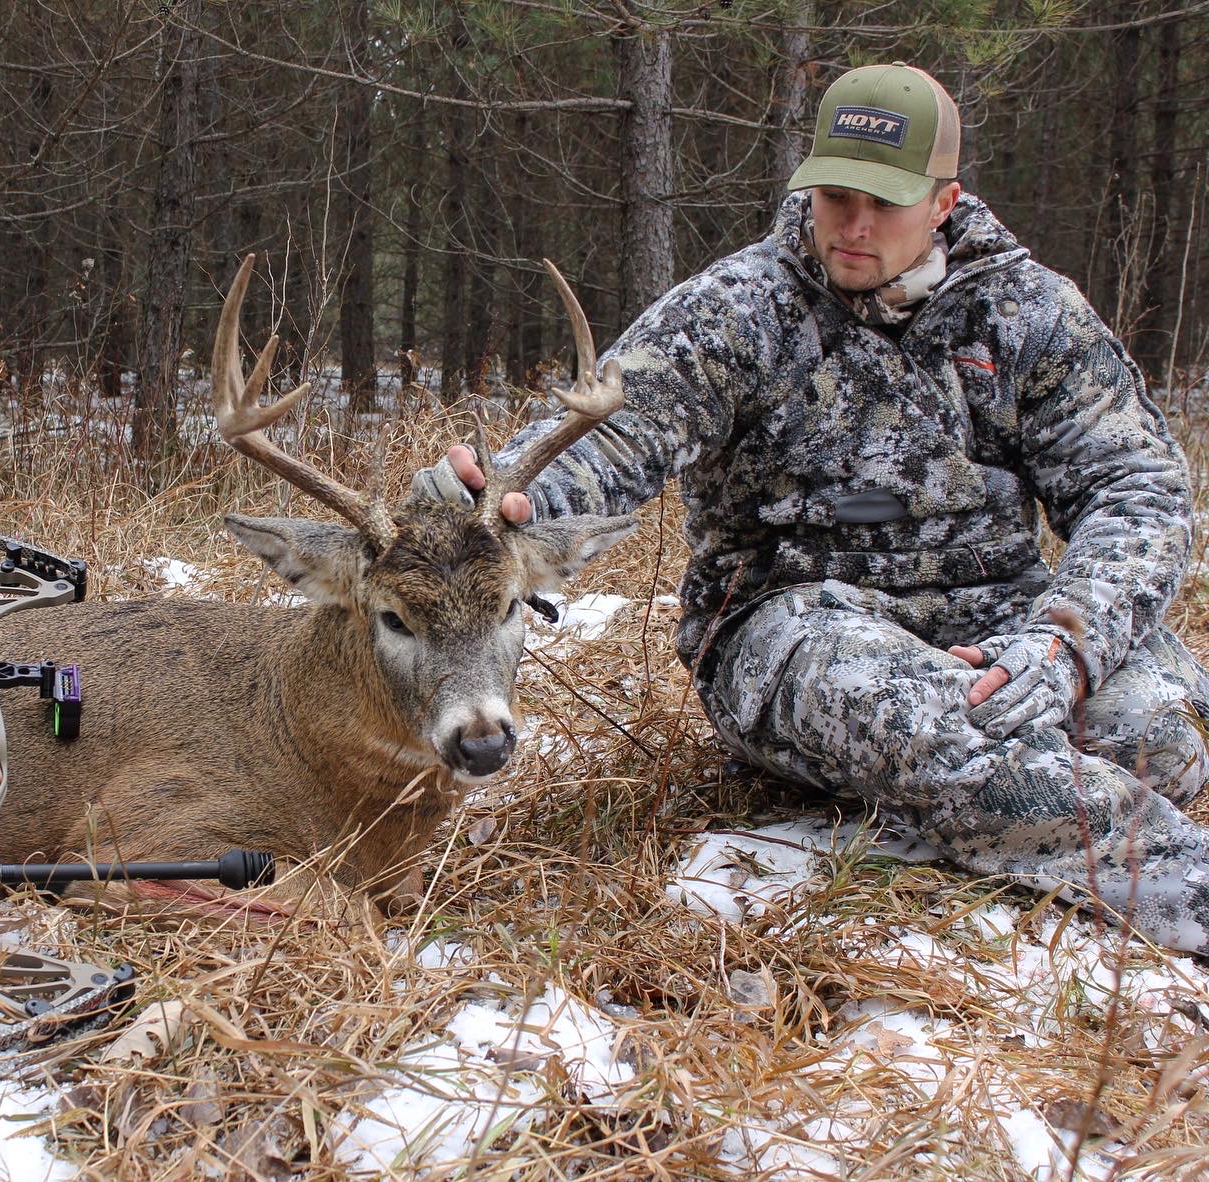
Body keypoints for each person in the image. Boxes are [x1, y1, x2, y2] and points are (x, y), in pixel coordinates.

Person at [415, 62, 1209, 955]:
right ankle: (1183, 883)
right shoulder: (738, 310)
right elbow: (610, 436)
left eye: (888, 203)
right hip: (793, 625)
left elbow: (1138, 490)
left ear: (945, 201)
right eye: (836, 197)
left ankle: (928, 794)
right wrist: (500, 496)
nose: (855, 227)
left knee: (1163, 742)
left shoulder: (1026, 314)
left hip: (999, 617)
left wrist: (1064, 640)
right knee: (914, 724)